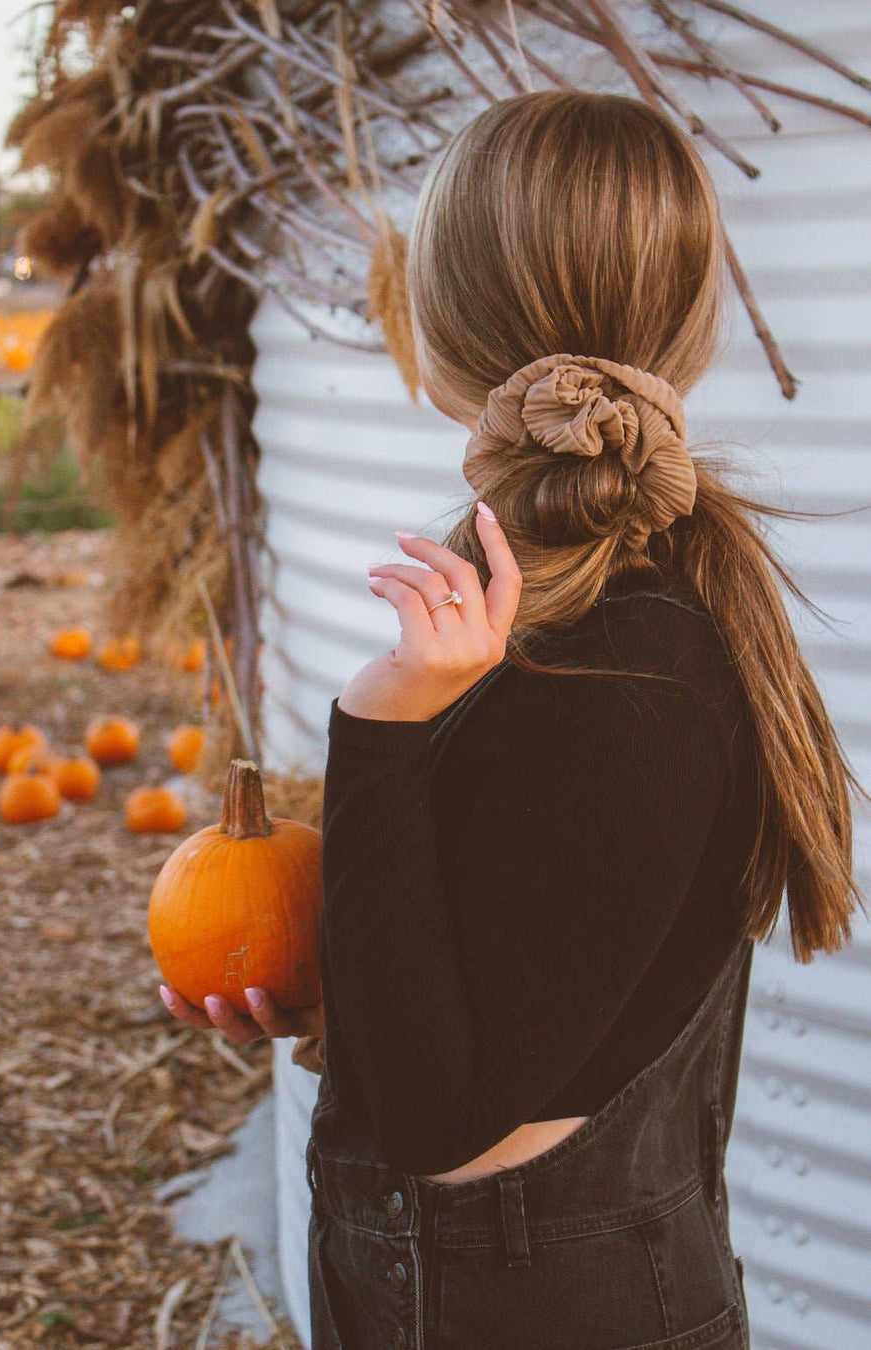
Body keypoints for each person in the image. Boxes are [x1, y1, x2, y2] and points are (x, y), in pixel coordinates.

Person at [160, 90, 867, 1350]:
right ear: (688, 326)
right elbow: (533, 993)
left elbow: (441, 1123)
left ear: (446, 319)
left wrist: (377, 729)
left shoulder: (625, 674)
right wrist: (339, 1003)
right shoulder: (573, 619)